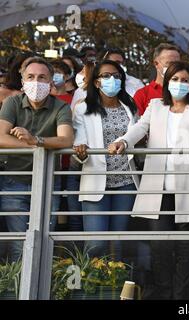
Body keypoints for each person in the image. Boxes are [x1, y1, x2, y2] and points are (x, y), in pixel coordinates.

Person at [108, 61, 189, 299]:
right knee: (160, 248)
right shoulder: (155, 105)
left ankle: (180, 297)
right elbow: (140, 128)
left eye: (185, 80)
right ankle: (164, 294)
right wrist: (124, 141)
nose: (180, 84)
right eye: (175, 79)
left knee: (186, 250)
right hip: (158, 188)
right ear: (167, 82)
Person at [0, 57, 74, 260]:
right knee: (18, 243)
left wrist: (36, 139)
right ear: (23, 82)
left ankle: (43, 291)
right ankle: (19, 291)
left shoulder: (61, 107)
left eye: (42, 77)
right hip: (14, 181)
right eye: (31, 77)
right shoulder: (12, 102)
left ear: (51, 83)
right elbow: (1, 136)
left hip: (48, 182)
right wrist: (34, 145)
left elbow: (66, 139)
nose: (36, 82)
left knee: (45, 240)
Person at [72, 60, 139, 259]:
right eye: (106, 76)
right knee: (96, 244)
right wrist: (81, 152)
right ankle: (90, 287)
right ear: (96, 82)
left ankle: (115, 289)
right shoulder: (83, 108)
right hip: (95, 181)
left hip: (126, 182)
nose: (112, 80)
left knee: (117, 244)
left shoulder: (130, 106)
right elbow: (79, 144)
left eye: (117, 76)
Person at [133, 43, 181, 115]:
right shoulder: (142, 95)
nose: (174, 67)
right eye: (169, 64)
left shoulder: (185, 90)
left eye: (177, 64)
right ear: (156, 64)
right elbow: (137, 123)